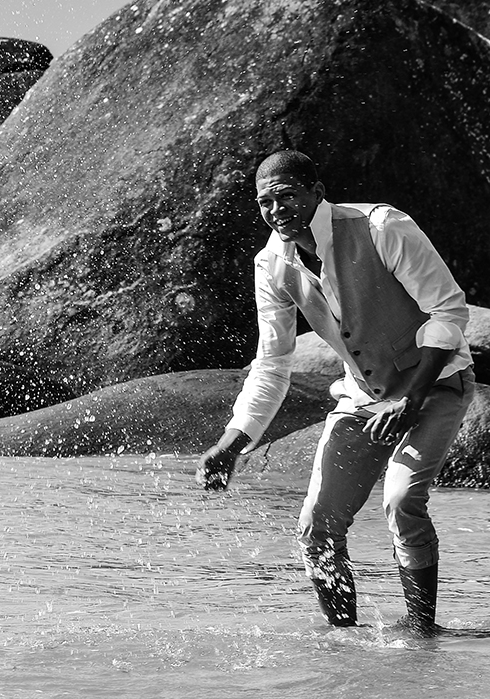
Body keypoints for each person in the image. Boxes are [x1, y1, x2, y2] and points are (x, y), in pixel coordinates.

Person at [196, 150, 475, 636]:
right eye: (265, 202)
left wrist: (409, 399)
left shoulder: (382, 227)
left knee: (402, 499)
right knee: (316, 525)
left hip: (435, 386)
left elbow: (447, 313)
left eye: (287, 196)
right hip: (362, 397)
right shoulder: (271, 264)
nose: (277, 210)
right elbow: (273, 363)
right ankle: (343, 642)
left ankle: (421, 635)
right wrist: (233, 442)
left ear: (317, 193)